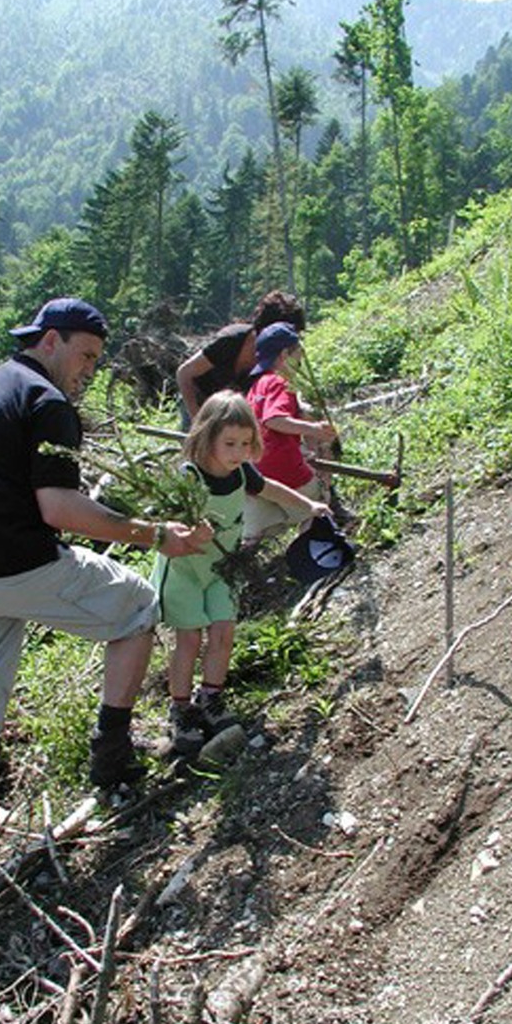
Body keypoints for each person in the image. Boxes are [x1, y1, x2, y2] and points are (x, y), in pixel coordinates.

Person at [0, 297, 212, 934]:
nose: (88, 371)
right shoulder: (46, 402)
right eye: (84, 355)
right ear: (50, 340)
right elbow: (57, 507)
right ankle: (111, 752)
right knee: (138, 603)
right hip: (11, 561)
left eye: (96, 361)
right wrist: (157, 534)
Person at [152, 390, 330, 760]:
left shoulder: (242, 472)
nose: (237, 452)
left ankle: (211, 697)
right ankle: (181, 709)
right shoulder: (190, 475)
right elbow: (167, 519)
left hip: (222, 568)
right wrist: (188, 531)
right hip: (184, 571)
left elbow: (271, 488)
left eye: (246, 443)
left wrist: (308, 503)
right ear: (207, 437)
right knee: (188, 639)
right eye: (229, 443)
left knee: (223, 631)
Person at [243, 322, 338, 542]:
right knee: (317, 500)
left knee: (258, 527)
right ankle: (311, 552)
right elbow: (274, 419)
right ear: (285, 354)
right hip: (284, 466)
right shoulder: (280, 382)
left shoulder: (257, 386)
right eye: (298, 352)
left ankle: (256, 553)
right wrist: (313, 429)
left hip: (257, 470)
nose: (301, 359)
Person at [175, 290, 306, 423]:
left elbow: (283, 394)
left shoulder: (276, 360)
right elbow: (184, 373)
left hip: (230, 409)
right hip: (196, 399)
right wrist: (196, 418)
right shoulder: (231, 340)